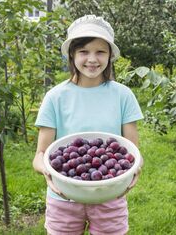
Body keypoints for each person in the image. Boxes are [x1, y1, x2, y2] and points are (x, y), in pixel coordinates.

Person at [32, 14, 144, 235]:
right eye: (84, 51)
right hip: (63, 196)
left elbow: (132, 152)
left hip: (109, 194)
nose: (92, 59)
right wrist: (47, 171)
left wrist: (135, 168)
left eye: (100, 51)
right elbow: (41, 154)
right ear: (72, 54)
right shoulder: (55, 97)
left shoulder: (123, 96)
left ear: (110, 56)